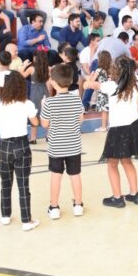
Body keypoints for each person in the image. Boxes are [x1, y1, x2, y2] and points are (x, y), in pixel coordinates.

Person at [84, 56, 138, 207]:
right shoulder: (134, 85)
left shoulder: (111, 85)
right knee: (127, 161)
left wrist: (92, 76)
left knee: (112, 164)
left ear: (116, 71)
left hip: (119, 129)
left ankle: (117, 198)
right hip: (134, 126)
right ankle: (134, 194)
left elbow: (87, 85)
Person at [0, 71, 40, 231]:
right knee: (23, 184)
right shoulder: (26, 103)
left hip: (5, 146)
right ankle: (26, 220)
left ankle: (5, 215)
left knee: (5, 183)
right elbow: (35, 122)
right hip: (22, 144)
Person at [41, 63, 85, 219]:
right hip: (73, 146)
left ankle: (54, 208)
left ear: (53, 82)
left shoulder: (49, 102)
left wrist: (43, 107)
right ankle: (78, 205)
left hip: (56, 147)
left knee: (55, 176)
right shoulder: (77, 100)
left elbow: (44, 124)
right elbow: (80, 120)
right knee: (75, 175)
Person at [27, 51, 50, 144]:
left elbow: (21, 75)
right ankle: (49, 136)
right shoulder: (47, 68)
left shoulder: (32, 69)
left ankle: (33, 138)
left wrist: (23, 66)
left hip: (35, 92)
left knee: (34, 113)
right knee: (46, 113)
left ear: (35, 58)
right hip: (44, 90)